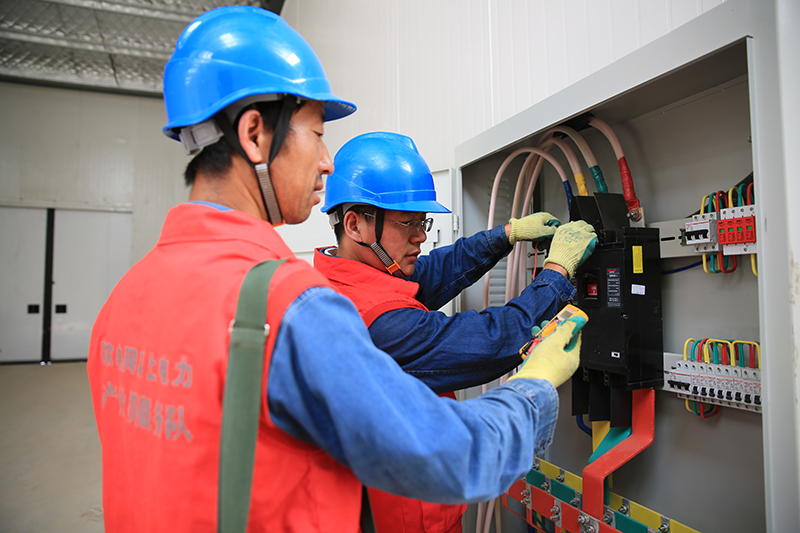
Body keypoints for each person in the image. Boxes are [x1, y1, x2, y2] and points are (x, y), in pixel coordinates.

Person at [87, 6, 590, 533]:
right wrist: (534, 385)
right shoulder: (289, 307)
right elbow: (453, 457)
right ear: (255, 134)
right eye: (316, 132)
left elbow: (421, 279)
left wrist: (502, 236)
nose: (327, 162)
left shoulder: (126, 296)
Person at [315, 132, 597, 533]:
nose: (420, 236)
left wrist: (506, 235)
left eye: (423, 222)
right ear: (355, 224)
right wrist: (557, 271)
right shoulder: (376, 320)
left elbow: (431, 272)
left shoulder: (343, 280)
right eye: (408, 223)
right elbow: (492, 340)